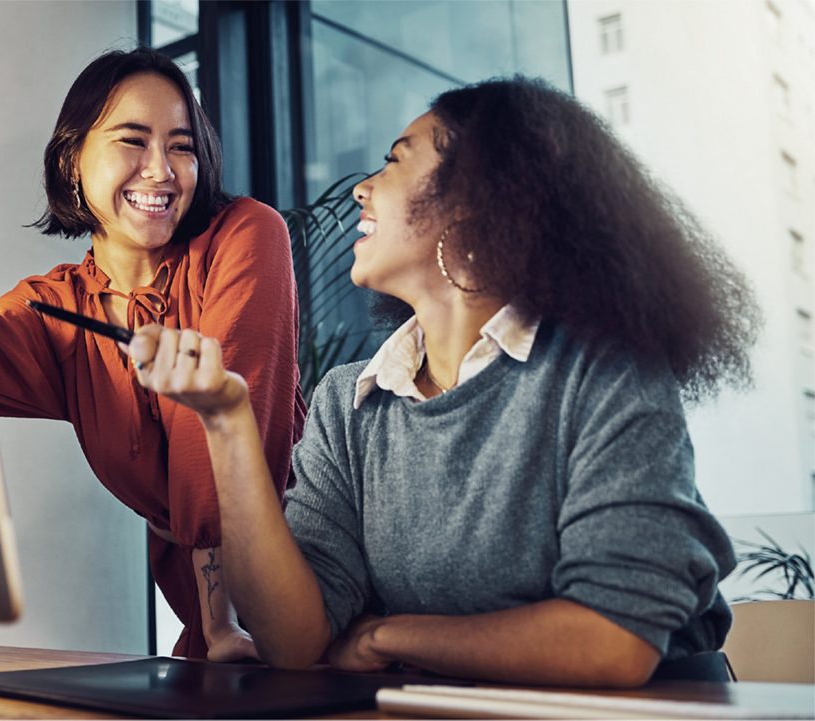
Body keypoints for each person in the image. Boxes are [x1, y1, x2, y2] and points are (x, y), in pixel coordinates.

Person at [125, 76, 758, 686]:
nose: (361, 190)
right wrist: (226, 421)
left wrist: (384, 637)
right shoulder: (349, 403)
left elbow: (613, 644)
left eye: (395, 162)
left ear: (477, 202)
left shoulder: (602, 373)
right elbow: (294, 640)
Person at [0, 48, 305, 661]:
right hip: (215, 632)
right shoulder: (56, 307)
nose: (161, 171)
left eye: (181, 146)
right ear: (72, 161)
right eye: (133, 141)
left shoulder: (245, 233)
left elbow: (212, 434)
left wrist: (220, 628)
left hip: (301, 602)